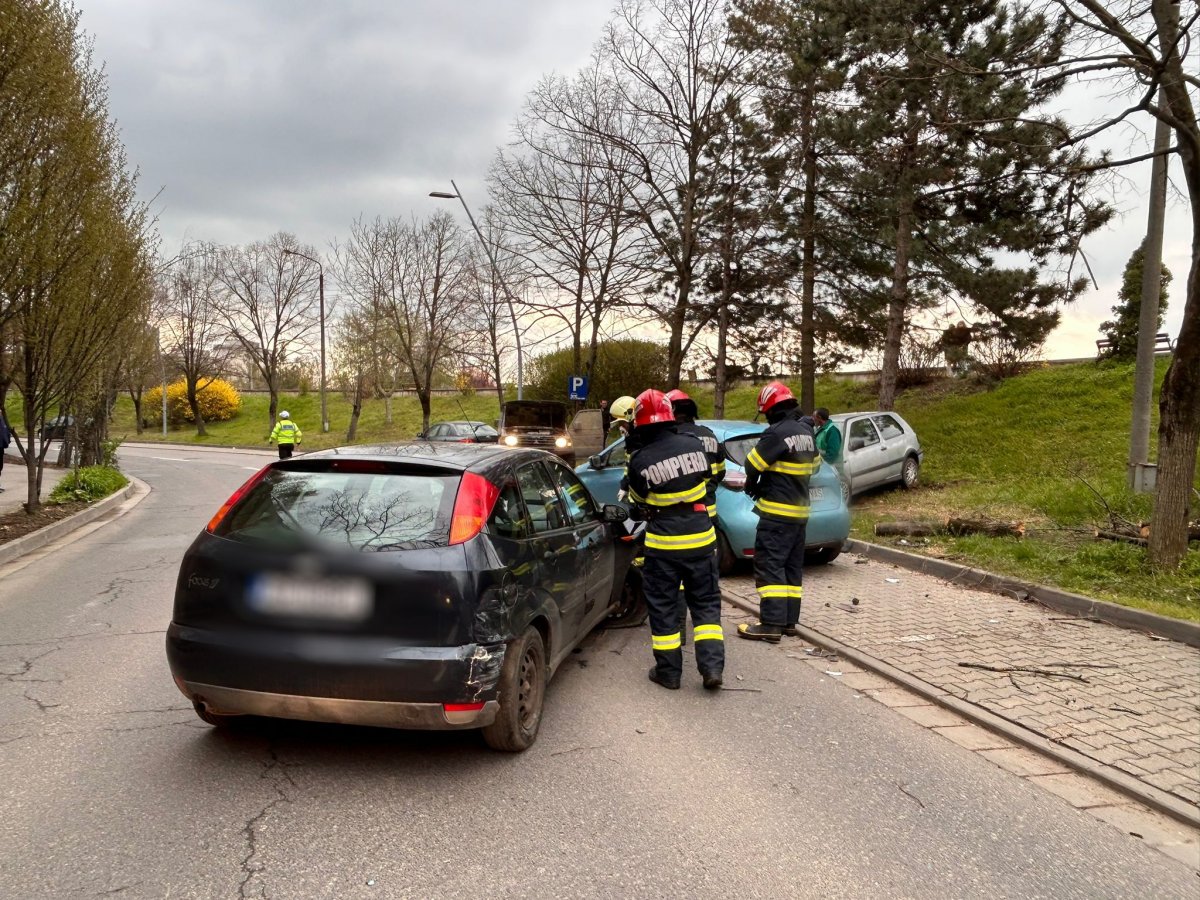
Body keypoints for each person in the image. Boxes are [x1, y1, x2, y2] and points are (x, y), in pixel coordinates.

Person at [625, 388, 724, 690]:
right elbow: (708, 478)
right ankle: (712, 669)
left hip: (663, 545)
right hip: (701, 536)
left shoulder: (640, 460)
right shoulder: (695, 446)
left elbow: (637, 503)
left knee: (665, 607)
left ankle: (668, 673)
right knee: (706, 605)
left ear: (640, 424)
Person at [737, 381, 820, 643]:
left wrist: (762, 479)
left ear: (771, 409)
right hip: (799, 515)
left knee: (770, 566)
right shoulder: (806, 433)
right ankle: (788, 623)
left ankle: (770, 625)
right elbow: (815, 467)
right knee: (792, 568)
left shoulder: (777, 432)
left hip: (775, 516)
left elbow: (752, 464)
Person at [812, 407, 845, 486]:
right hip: (826, 468)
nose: (812, 419)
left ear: (819, 417)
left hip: (833, 469)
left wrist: (821, 463)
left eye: (814, 417)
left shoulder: (832, 431)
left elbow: (832, 454)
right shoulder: (821, 429)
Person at [0, 411, 9, 491]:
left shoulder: (2, 420)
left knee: (0, 467)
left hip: (1, 447)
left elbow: (6, 432)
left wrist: (7, 441)